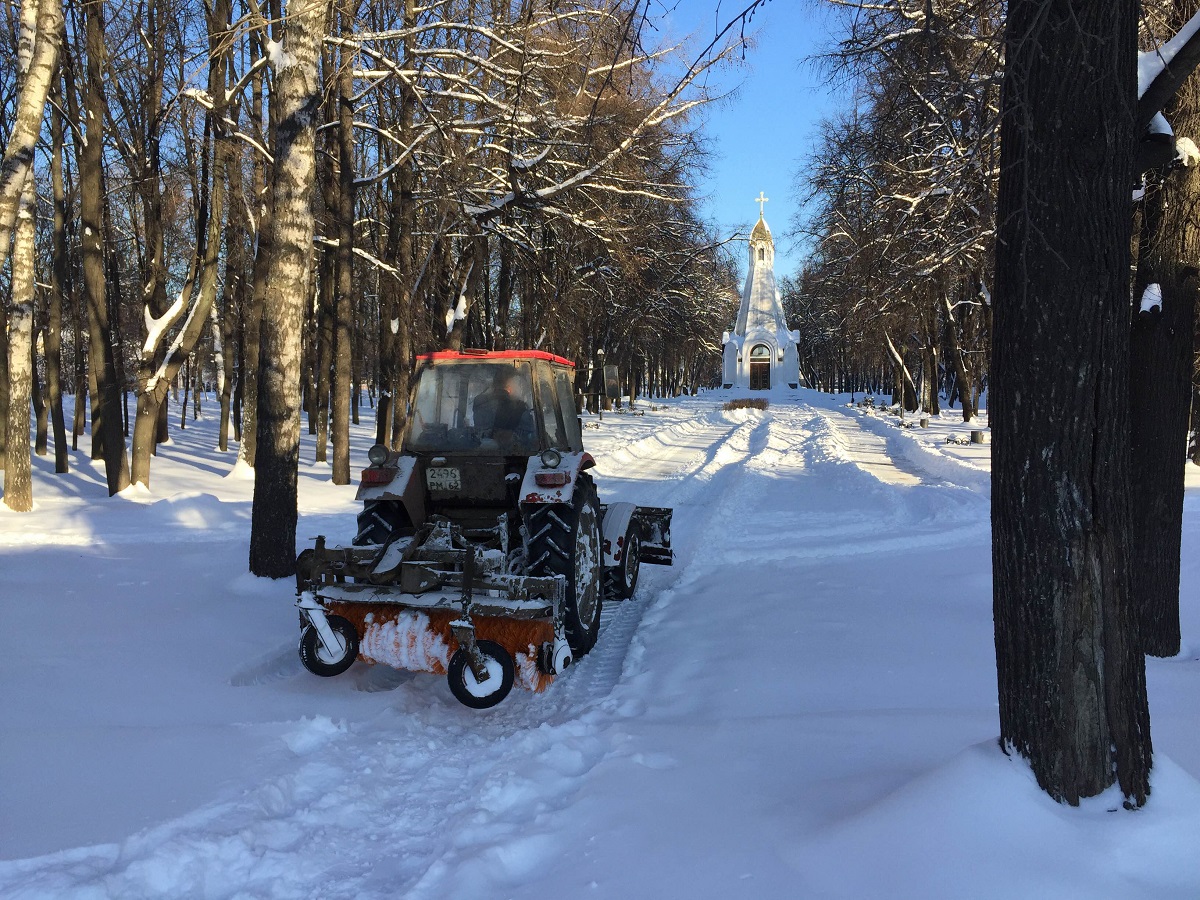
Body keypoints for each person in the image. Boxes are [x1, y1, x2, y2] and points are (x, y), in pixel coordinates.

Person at [473, 367, 531, 446]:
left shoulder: (479, 402)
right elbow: (530, 435)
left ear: (493, 384)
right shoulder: (520, 406)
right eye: (517, 384)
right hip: (515, 454)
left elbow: (479, 428)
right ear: (510, 386)